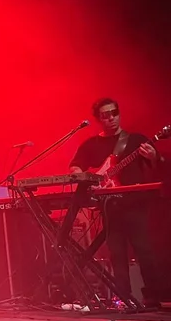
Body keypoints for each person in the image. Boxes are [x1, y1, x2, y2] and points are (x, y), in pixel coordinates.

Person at [70, 97, 165, 306]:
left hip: (135, 204)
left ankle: (153, 296)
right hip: (110, 206)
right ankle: (123, 297)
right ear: (99, 119)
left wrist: (153, 157)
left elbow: (159, 166)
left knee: (144, 250)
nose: (111, 118)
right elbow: (75, 166)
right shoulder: (91, 144)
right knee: (117, 254)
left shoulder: (136, 140)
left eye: (114, 113)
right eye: (106, 115)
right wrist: (87, 178)